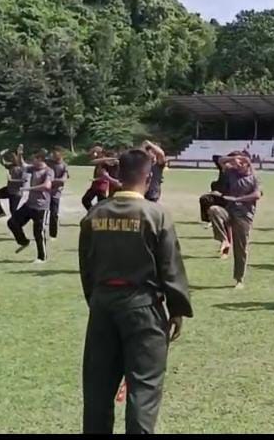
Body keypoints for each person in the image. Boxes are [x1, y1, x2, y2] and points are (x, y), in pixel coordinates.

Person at [78, 148, 193, 434]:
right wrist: (177, 309)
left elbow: (86, 266)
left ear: (117, 175)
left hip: (103, 306)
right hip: (143, 306)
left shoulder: (94, 214)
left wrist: (96, 299)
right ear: (148, 176)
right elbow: (170, 266)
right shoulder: (156, 215)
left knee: (97, 389)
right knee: (143, 388)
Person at [206, 153, 262, 288]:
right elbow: (219, 161)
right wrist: (233, 158)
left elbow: (257, 195)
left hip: (244, 216)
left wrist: (237, 199)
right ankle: (224, 240)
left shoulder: (254, 178)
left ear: (248, 164)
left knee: (240, 248)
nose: (238, 165)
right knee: (214, 210)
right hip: (229, 212)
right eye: (238, 163)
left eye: (242, 163)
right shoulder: (232, 173)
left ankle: (239, 279)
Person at [8, 150, 54, 263]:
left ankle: (41, 257)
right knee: (12, 222)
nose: (33, 161)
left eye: (35, 159)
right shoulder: (34, 168)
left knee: (38, 233)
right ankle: (24, 242)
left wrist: (28, 189)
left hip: (41, 207)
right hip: (29, 204)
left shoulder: (48, 171)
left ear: (40, 159)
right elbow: (22, 164)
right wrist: (20, 154)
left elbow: (47, 186)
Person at [0, 147, 25, 219]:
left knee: (13, 211)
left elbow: (23, 181)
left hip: (16, 193)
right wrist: (1, 155)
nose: (12, 159)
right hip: (9, 190)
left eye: (13, 157)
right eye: (11, 157)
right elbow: (3, 162)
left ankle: (17, 224)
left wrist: (12, 180)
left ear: (18, 157)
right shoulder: (11, 166)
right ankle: (0, 213)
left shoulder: (22, 167)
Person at [48, 148, 70, 239]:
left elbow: (63, 180)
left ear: (61, 154)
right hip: (45, 193)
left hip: (55, 193)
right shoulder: (49, 163)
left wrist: (50, 181)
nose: (53, 155)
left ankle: (53, 235)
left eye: (55, 154)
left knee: (54, 214)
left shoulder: (64, 166)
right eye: (53, 153)